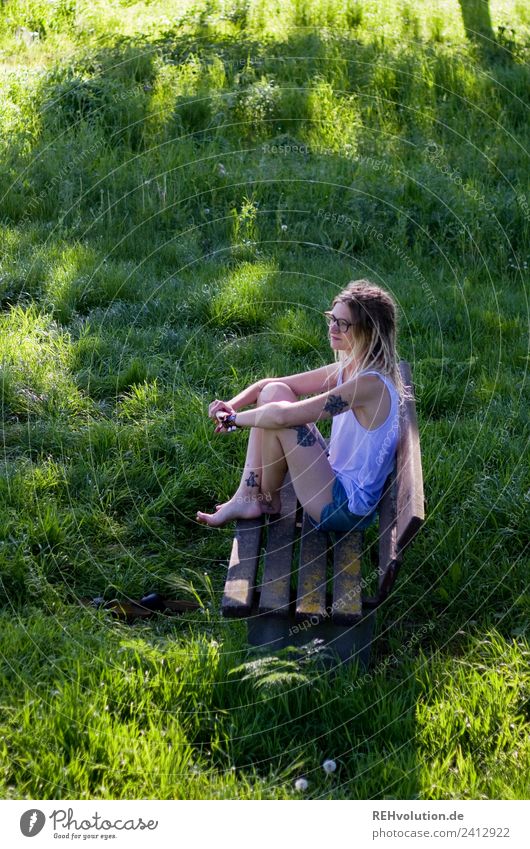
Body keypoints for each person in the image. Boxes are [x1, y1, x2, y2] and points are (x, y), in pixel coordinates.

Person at [196, 279, 408, 532]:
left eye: (343, 324)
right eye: (332, 318)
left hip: (343, 509)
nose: (332, 328)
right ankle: (252, 496)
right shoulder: (350, 368)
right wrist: (230, 405)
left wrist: (232, 421)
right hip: (332, 476)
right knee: (275, 393)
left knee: (281, 419)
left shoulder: (369, 385)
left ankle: (254, 498)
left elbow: (283, 418)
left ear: (369, 332)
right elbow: (270, 385)